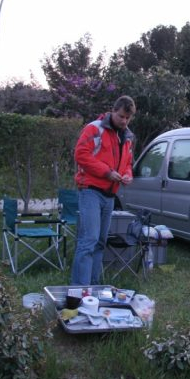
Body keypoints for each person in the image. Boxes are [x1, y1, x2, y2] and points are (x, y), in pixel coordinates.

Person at [70, 95, 136, 285]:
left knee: (100, 242)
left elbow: (128, 163)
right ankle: (79, 289)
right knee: (88, 240)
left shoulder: (127, 137)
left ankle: (93, 287)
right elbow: (80, 154)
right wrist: (107, 172)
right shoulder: (94, 128)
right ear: (113, 111)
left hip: (110, 196)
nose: (124, 121)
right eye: (121, 116)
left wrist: (127, 175)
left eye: (127, 118)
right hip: (90, 191)